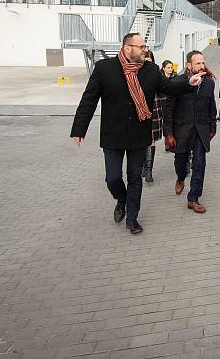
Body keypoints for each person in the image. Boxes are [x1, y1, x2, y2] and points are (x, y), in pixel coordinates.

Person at [70, 33, 203, 234]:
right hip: (113, 134)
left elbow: (167, 87)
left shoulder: (150, 70)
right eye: (141, 46)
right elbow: (89, 99)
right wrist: (79, 128)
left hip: (139, 134)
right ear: (127, 49)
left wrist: (187, 83)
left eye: (145, 46)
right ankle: (121, 199)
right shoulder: (105, 69)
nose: (145, 49)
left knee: (135, 178)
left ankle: (132, 218)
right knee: (112, 178)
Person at [163, 51, 217, 214]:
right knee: (181, 163)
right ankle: (180, 178)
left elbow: (211, 105)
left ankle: (193, 198)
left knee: (199, 164)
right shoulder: (178, 82)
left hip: (201, 131)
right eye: (197, 63)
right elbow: (169, 109)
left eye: (202, 63)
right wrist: (169, 133)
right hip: (181, 131)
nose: (202, 66)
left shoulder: (208, 83)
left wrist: (212, 127)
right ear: (189, 65)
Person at [142, 50, 160, 183]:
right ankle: (143, 165)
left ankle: (149, 169)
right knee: (141, 140)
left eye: (149, 60)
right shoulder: (135, 72)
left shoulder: (155, 72)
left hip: (153, 108)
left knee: (151, 140)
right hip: (139, 110)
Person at [159, 60, 177, 152]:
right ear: (163, 68)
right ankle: (166, 140)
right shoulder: (160, 78)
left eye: (171, 67)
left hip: (171, 104)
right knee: (163, 123)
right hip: (162, 103)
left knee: (169, 122)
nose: (170, 69)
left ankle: (168, 142)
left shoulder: (175, 77)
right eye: (168, 68)